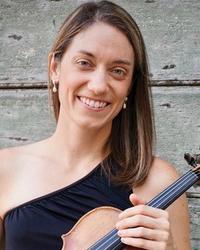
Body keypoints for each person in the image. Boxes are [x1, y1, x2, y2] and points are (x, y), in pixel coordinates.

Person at [0, 1, 191, 249]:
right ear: (55, 68)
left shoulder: (158, 180)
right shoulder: (5, 170)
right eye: (84, 63)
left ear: (129, 87)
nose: (99, 85)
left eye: (118, 71)